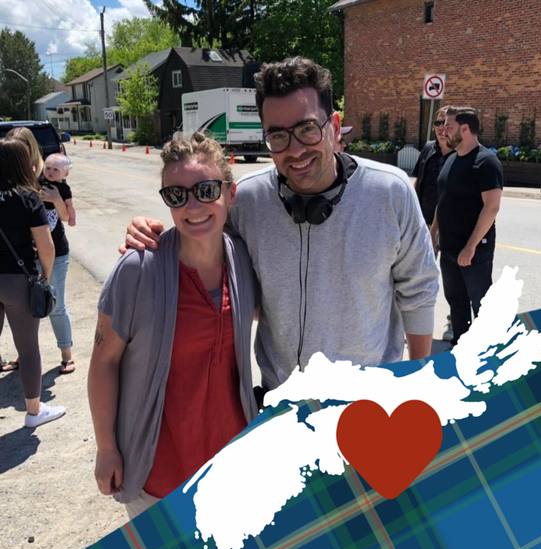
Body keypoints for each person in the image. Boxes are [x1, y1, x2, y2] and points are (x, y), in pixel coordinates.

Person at [124, 57, 439, 392]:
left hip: (368, 400)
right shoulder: (247, 200)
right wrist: (151, 238)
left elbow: (419, 293)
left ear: (334, 126)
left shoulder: (390, 192)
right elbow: (201, 246)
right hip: (281, 398)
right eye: (278, 136)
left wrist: (416, 383)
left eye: (307, 129)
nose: (295, 150)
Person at [87, 133, 258, 519]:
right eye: (176, 195)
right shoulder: (138, 269)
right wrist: (106, 447)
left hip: (231, 466)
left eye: (206, 190)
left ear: (230, 193)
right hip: (160, 476)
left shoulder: (242, 261)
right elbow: (104, 361)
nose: (192, 206)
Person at [0, 138, 65, 427]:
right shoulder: (27, 197)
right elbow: (46, 246)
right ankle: (34, 411)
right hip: (17, 280)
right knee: (27, 349)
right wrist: (45, 278)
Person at [431, 106, 503, 344]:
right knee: (456, 303)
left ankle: (488, 352)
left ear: (464, 129)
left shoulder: (486, 162)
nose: (444, 131)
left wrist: (470, 247)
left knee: (482, 304)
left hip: (474, 251)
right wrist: (433, 232)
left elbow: (491, 207)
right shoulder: (450, 160)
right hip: (449, 249)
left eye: (449, 127)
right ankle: (460, 348)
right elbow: (443, 201)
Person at [412, 105, 454, 341]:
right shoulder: (428, 149)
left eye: (445, 123)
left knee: (452, 277)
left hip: (450, 227)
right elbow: (418, 182)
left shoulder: (460, 153)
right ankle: (414, 323)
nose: (440, 128)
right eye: (437, 123)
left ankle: (454, 320)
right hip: (424, 224)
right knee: (419, 275)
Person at [39, 153, 76, 374]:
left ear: (65, 174)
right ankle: (25, 354)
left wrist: (56, 200)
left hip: (57, 252)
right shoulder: (35, 182)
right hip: (30, 252)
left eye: (56, 170)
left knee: (57, 306)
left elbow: (66, 217)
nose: (51, 173)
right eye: (48, 168)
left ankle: (66, 354)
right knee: (27, 308)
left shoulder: (63, 189)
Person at [7, 127, 77, 226]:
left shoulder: (48, 172)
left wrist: (56, 199)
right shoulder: (6, 174)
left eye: (20, 147)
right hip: (19, 233)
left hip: (51, 232)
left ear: (31, 147)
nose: (16, 152)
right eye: (11, 147)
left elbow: (65, 217)